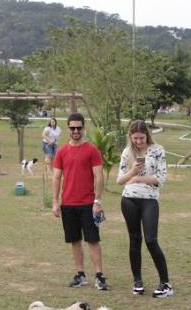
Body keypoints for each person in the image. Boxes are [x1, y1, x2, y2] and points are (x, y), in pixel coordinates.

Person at [116, 119, 173, 298]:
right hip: (129, 199)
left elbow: (160, 178)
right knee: (134, 240)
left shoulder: (158, 151)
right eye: (135, 138)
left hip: (149, 199)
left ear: (147, 135)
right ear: (130, 137)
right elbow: (120, 180)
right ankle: (137, 281)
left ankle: (165, 283)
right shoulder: (127, 152)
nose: (138, 142)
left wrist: (138, 178)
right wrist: (132, 172)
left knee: (151, 240)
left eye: (141, 138)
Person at [52, 113, 108, 291]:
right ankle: (80, 274)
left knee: (93, 240)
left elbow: (99, 176)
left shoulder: (92, 150)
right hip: (68, 204)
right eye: (72, 128)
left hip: (88, 204)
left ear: (84, 128)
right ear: (68, 129)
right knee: (74, 240)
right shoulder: (61, 151)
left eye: (79, 127)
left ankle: (99, 276)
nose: (76, 131)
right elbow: (56, 177)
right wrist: (55, 202)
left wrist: (97, 201)